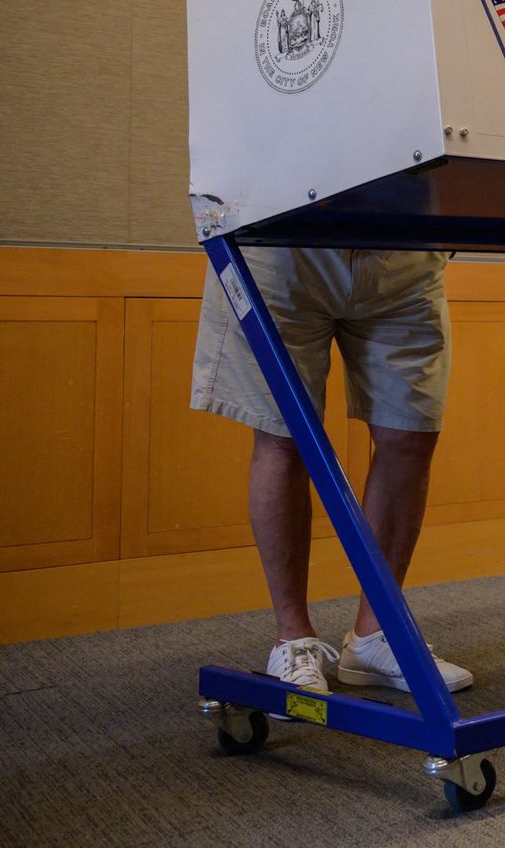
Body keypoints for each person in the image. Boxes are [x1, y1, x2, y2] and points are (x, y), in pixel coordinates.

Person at [192, 246, 472, 697]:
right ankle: (292, 638)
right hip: (282, 249)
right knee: (284, 437)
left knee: (409, 435)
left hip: (403, 248)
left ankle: (377, 637)